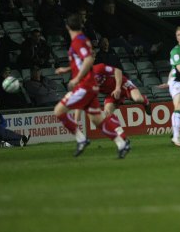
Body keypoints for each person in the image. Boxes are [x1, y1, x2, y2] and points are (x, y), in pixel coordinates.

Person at [54, 13, 131, 158]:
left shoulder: (78, 41)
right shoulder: (83, 40)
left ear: (67, 26)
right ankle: (122, 143)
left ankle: (81, 139)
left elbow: (89, 60)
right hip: (90, 86)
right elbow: (82, 62)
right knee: (98, 120)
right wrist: (67, 69)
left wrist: (76, 78)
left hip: (85, 86)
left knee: (58, 111)